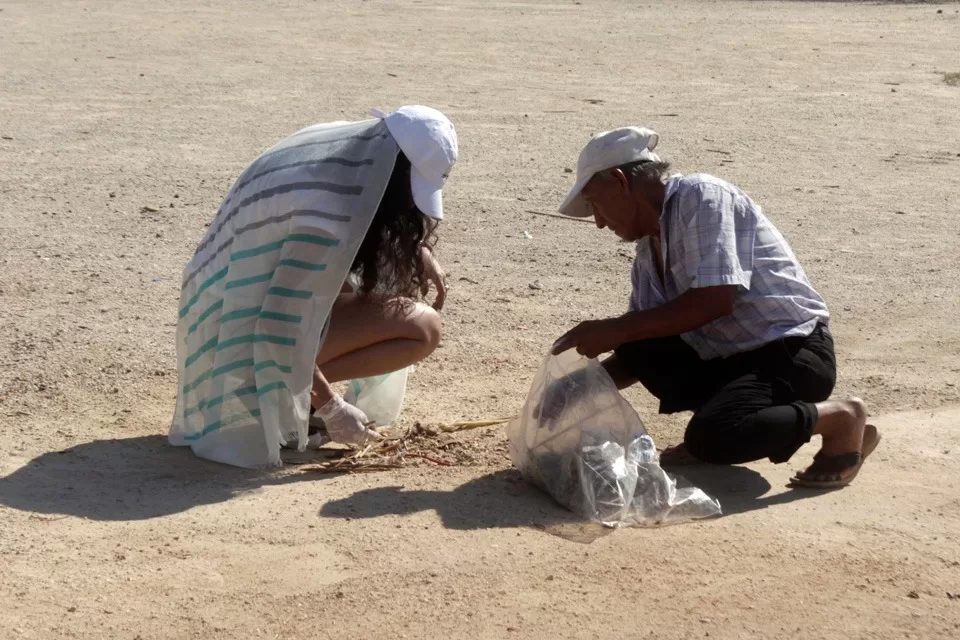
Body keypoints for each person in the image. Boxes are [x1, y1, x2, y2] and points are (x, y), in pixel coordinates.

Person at [549, 126, 880, 489]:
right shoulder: (648, 252)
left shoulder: (701, 195)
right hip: (732, 362)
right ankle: (723, 419)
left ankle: (843, 420)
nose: (598, 221)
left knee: (714, 436)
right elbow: (639, 351)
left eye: (595, 204)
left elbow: (715, 300)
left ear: (619, 181)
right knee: (636, 334)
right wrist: (576, 390)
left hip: (790, 352)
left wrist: (616, 329)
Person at [170, 106, 457, 468]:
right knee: (422, 328)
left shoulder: (339, 147)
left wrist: (415, 248)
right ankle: (270, 396)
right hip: (236, 340)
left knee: (346, 286)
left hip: (217, 312)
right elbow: (279, 327)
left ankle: (285, 392)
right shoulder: (323, 220)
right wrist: (331, 407)